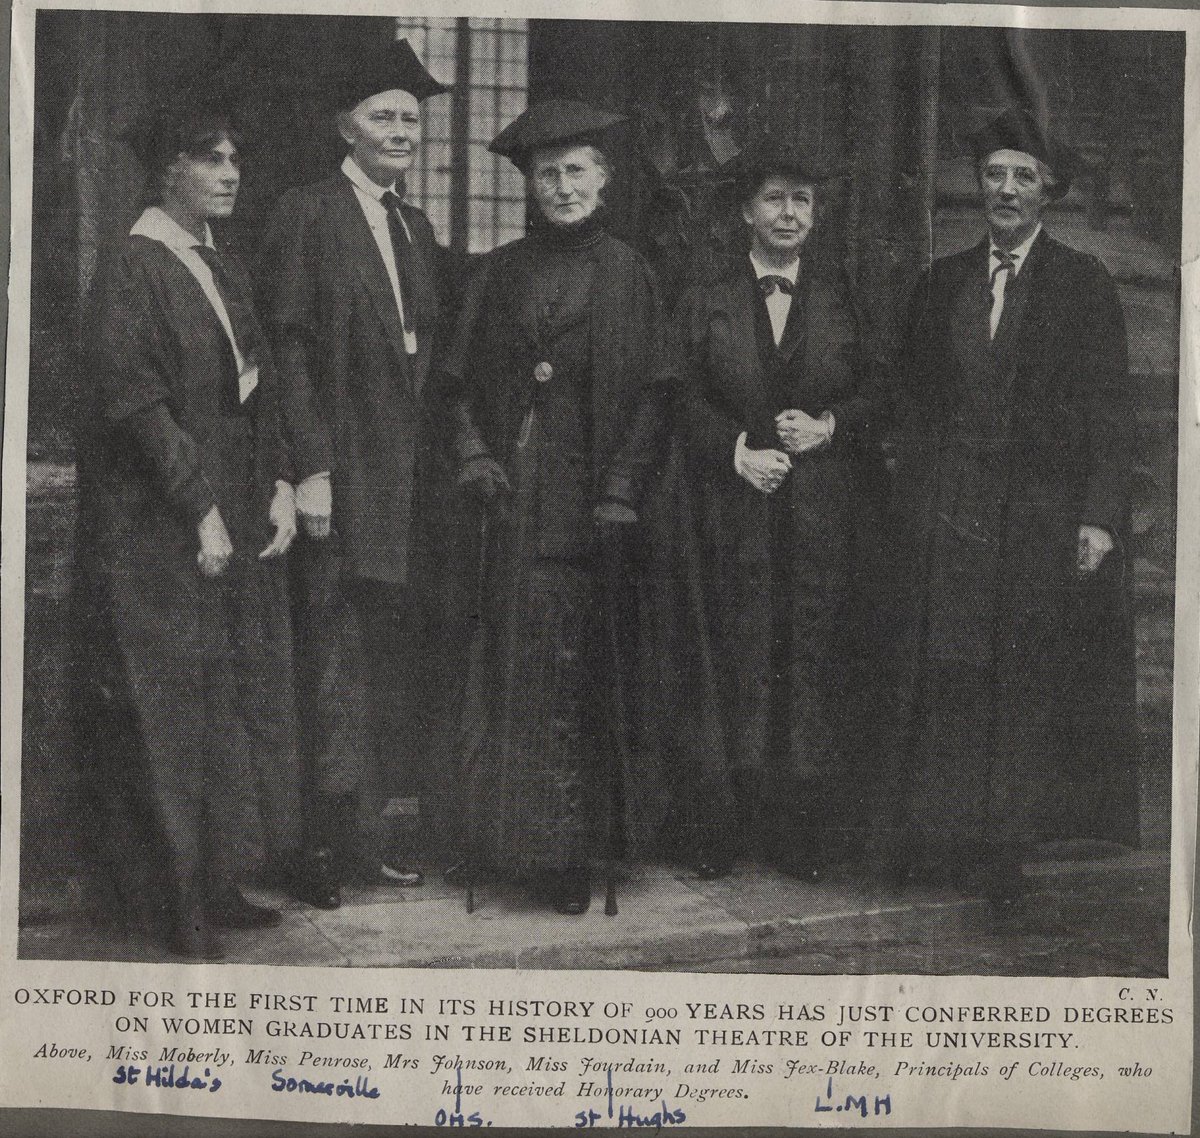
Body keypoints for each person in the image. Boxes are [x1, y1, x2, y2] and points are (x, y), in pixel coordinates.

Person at [880, 107, 1137, 902]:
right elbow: (911, 400)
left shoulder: (1082, 285)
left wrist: (1098, 516)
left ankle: (1004, 848)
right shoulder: (944, 281)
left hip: (1037, 508)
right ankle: (945, 834)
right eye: (995, 174)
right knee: (951, 668)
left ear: (1048, 192)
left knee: (1019, 671)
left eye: (1024, 176)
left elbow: (1107, 410)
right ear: (978, 185)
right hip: (952, 503)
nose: (1007, 189)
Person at [74, 93, 298, 958]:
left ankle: (215, 883)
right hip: (156, 532)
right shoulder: (134, 267)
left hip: (227, 517)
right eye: (210, 158)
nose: (230, 172)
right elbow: (139, 407)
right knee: (163, 710)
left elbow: (257, 384)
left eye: (234, 158)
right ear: (166, 172)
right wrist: (202, 508)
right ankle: (171, 907)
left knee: (220, 704)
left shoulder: (216, 264)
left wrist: (277, 480)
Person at [435, 100, 672, 915]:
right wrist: (473, 455)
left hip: (596, 506)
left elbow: (654, 399)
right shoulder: (498, 274)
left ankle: (577, 852)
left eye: (576, 171)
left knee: (580, 677)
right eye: (547, 174)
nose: (562, 186)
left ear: (603, 181)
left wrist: (621, 490)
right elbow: (454, 385)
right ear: (528, 188)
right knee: (514, 676)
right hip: (515, 505)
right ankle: (518, 845)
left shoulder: (631, 274)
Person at [256, 40, 450, 908]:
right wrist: (312, 470)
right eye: (384, 116)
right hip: (340, 478)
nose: (400, 130)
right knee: (328, 662)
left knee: (381, 663)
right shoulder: (307, 212)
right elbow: (287, 350)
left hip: (403, 485)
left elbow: (423, 353)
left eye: (410, 117)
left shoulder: (417, 226)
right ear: (346, 127)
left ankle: (368, 838)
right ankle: (317, 849)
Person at [671, 138, 890, 881]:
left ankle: (801, 830)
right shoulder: (705, 300)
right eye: (774, 198)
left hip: (822, 518)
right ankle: (720, 829)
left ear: (816, 215)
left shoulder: (841, 299)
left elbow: (881, 392)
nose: (789, 212)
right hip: (733, 513)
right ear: (745, 212)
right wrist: (734, 451)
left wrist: (832, 427)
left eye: (802, 200)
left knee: (810, 659)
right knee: (734, 656)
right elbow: (679, 396)